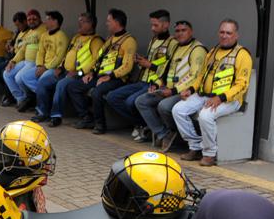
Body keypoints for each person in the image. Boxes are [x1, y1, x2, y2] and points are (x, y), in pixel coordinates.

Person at [171, 19, 253, 166]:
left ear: (236, 35)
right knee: (178, 109)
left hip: (229, 100)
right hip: (205, 95)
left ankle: (209, 153)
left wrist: (220, 98)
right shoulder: (213, 52)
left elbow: (242, 85)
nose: (224, 35)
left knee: (205, 115)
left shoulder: (242, 55)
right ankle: (195, 146)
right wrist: (190, 90)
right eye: (222, 32)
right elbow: (201, 76)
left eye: (229, 33)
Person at [134, 21, 207, 151]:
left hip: (185, 92)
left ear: (191, 32)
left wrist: (173, 91)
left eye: (183, 30)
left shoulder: (197, 49)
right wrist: (157, 84)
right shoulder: (175, 47)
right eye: (177, 31)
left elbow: (195, 76)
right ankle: (165, 133)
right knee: (141, 101)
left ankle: (177, 136)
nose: (180, 33)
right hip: (168, 89)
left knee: (164, 106)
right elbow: (165, 70)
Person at [104, 9, 175, 139]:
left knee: (131, 101)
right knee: (112, 97)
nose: (152, 28)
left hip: (155, 84)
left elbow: (170, 68)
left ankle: (149, 127)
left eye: (155, 25)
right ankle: (142, 124)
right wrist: (141, 61)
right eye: (151, 25)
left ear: (166, 25)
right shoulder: (153, 40)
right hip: (141, 80)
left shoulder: (172, 43)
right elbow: (150, 61)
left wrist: (150, 65)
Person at [67, 8, 136, 132]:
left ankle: (100, 124)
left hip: (117, 79)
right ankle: (86, 117)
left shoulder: (129, 41)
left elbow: (127, 66)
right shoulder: (110, 40)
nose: (106, 23)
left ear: (117, 22)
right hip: (100, 76)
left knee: (97, 92)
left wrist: (110, 76)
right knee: (73, 86)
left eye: (109, 21)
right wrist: (91, 72)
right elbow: (98, 58)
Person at [45, 13, 103, 127]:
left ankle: (56, 116)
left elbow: (97, 61)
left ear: (90, 24)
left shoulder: (96, 41)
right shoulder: (76, 37)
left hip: (81, 75)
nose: (79, 23)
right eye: (79, 20)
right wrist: (60, 67)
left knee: (62, 84)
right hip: (66, 72)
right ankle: (43, 111)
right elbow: (67, 54)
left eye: (82, 21)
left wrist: (79, 72)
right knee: (45, 81)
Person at [16, 11, 69, 115]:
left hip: (54, 69)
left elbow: (59, 57)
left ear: (55, 21)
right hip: (43, 66)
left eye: (48, 19)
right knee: (24, 77)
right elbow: (40, 52)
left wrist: (46, 67)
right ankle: (45, 96)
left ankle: (42, 110)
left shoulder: (62, 36)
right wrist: (40, 65)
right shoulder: (45, 35)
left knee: (42, 82)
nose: (45, 21)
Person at [2, 10, 45, 107]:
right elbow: (22, 49)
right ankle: (21, 98)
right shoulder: (30, 31)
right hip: (26, 61)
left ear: (39, 19)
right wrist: (13, 61)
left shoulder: (44, 29)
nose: (32, 21)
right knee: (7, 73)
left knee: (19, 78)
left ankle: (30, 98)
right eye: (29, 19)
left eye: (34, 18)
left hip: (35, 62)